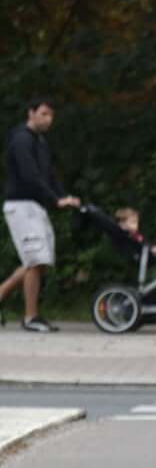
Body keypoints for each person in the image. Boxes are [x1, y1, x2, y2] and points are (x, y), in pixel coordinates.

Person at [1, 99, 80, 331]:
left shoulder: (40, 142)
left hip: (36, 207)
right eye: (44, 114)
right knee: (36, 260)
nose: (48, 119)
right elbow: (30, 176)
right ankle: (31, 318)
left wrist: (64, 196)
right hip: (21, 206)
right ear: (31, 113)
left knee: (38, 261)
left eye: (51, 115)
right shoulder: (21, 140)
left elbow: (49, 175)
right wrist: (55, 200)